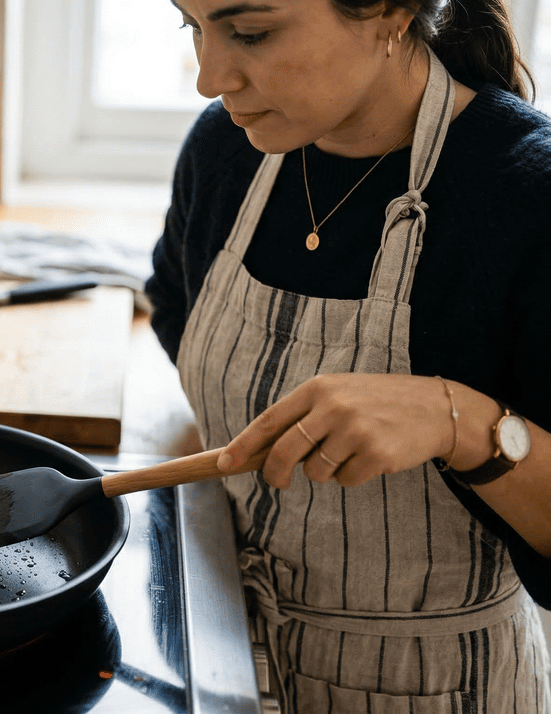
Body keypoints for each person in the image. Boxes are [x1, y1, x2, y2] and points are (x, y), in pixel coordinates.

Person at [144, 0, 551, 710]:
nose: (209, 79)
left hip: (437, 690)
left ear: (390, 11)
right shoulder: (224, 149)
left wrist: (458, 421)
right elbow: (174, 306)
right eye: (193, 27)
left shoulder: (527, 194)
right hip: (223, 663)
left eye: (250, 33)